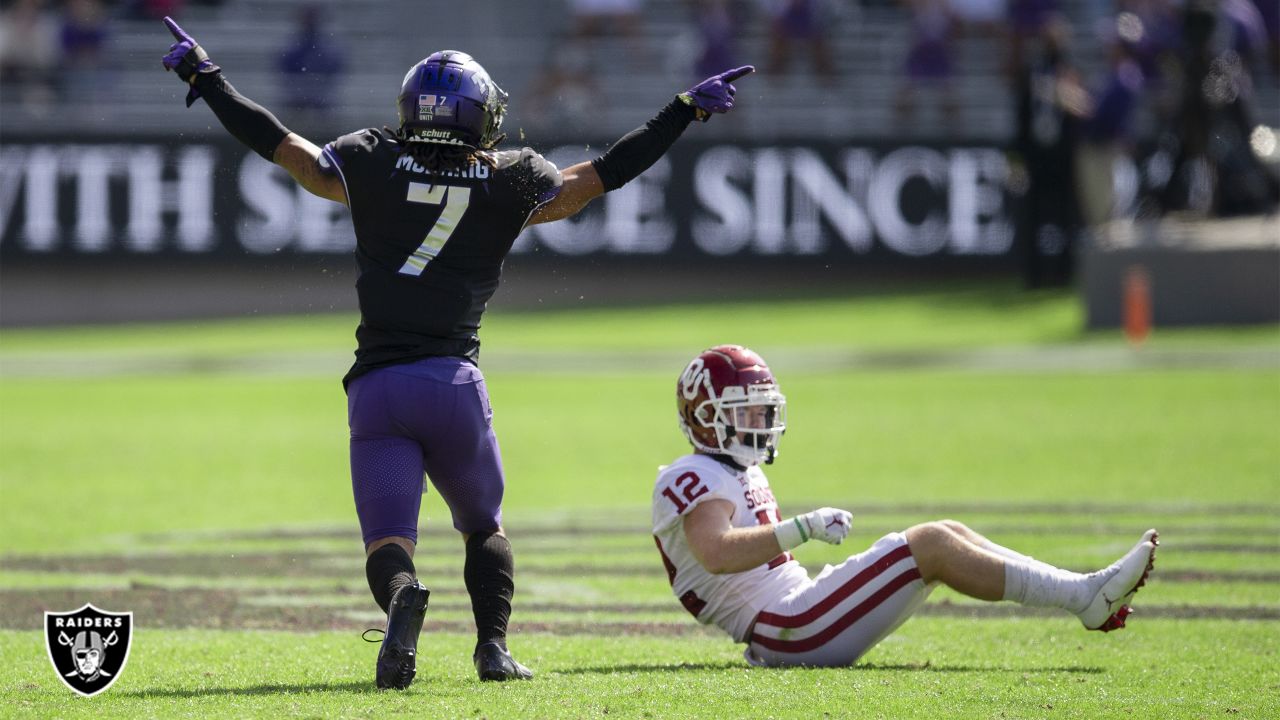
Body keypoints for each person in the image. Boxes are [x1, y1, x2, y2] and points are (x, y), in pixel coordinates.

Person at [159, 16, 754, 690]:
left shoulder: (371, 157)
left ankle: (404, 597)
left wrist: (208, 81)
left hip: (378, 391)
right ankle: (492, 649)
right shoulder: (511, 179)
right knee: (483, 527)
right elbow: (605, 173)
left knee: (389, 543)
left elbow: (285, 148)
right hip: (453, 387)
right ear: (478, 117)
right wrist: (679, 112)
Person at [653, 345, 1158, 667]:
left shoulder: (737, 469)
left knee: (947, 531)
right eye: (747, 409)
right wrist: (800, 529)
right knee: (931, 545)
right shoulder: (690, 474)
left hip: (794, 616)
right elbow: (715, 552)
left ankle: (1084, 592)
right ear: (704, 418)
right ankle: (1082, 595)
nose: (761, 419)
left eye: (765, 407)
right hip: (784, 628)